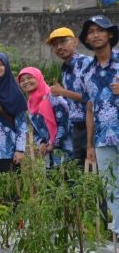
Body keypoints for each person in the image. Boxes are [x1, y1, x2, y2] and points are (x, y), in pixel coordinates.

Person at [81, 15, 119, 232]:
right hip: (102, 137)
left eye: (99, 30)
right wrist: (89, 145)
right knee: (111, 186)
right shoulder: (87, 71)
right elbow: (89, 108)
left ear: (110, 34)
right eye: (91, 32)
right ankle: (118, 230)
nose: (95, 35)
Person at [47, 27, 91, 165]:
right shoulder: (65, 69)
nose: (59, 47)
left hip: (92, 128)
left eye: (63, 42)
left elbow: (93, 98)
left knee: (96, 173)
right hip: (76, 129)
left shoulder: (86, 63)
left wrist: (63, 92)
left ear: (75, 42)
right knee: (78, 175)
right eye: (55, 44)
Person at [17, 67, 71, 167]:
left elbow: (65, 124)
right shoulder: (30, 103)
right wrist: (41, 143)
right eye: (22, 80)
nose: (26, 82)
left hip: (66, 151)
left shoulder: (54, 97)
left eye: (29, 77)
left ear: (39, 77)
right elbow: (36, 130)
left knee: (67, 180)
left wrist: (53, 143)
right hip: (48, 154)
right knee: (52, 181)